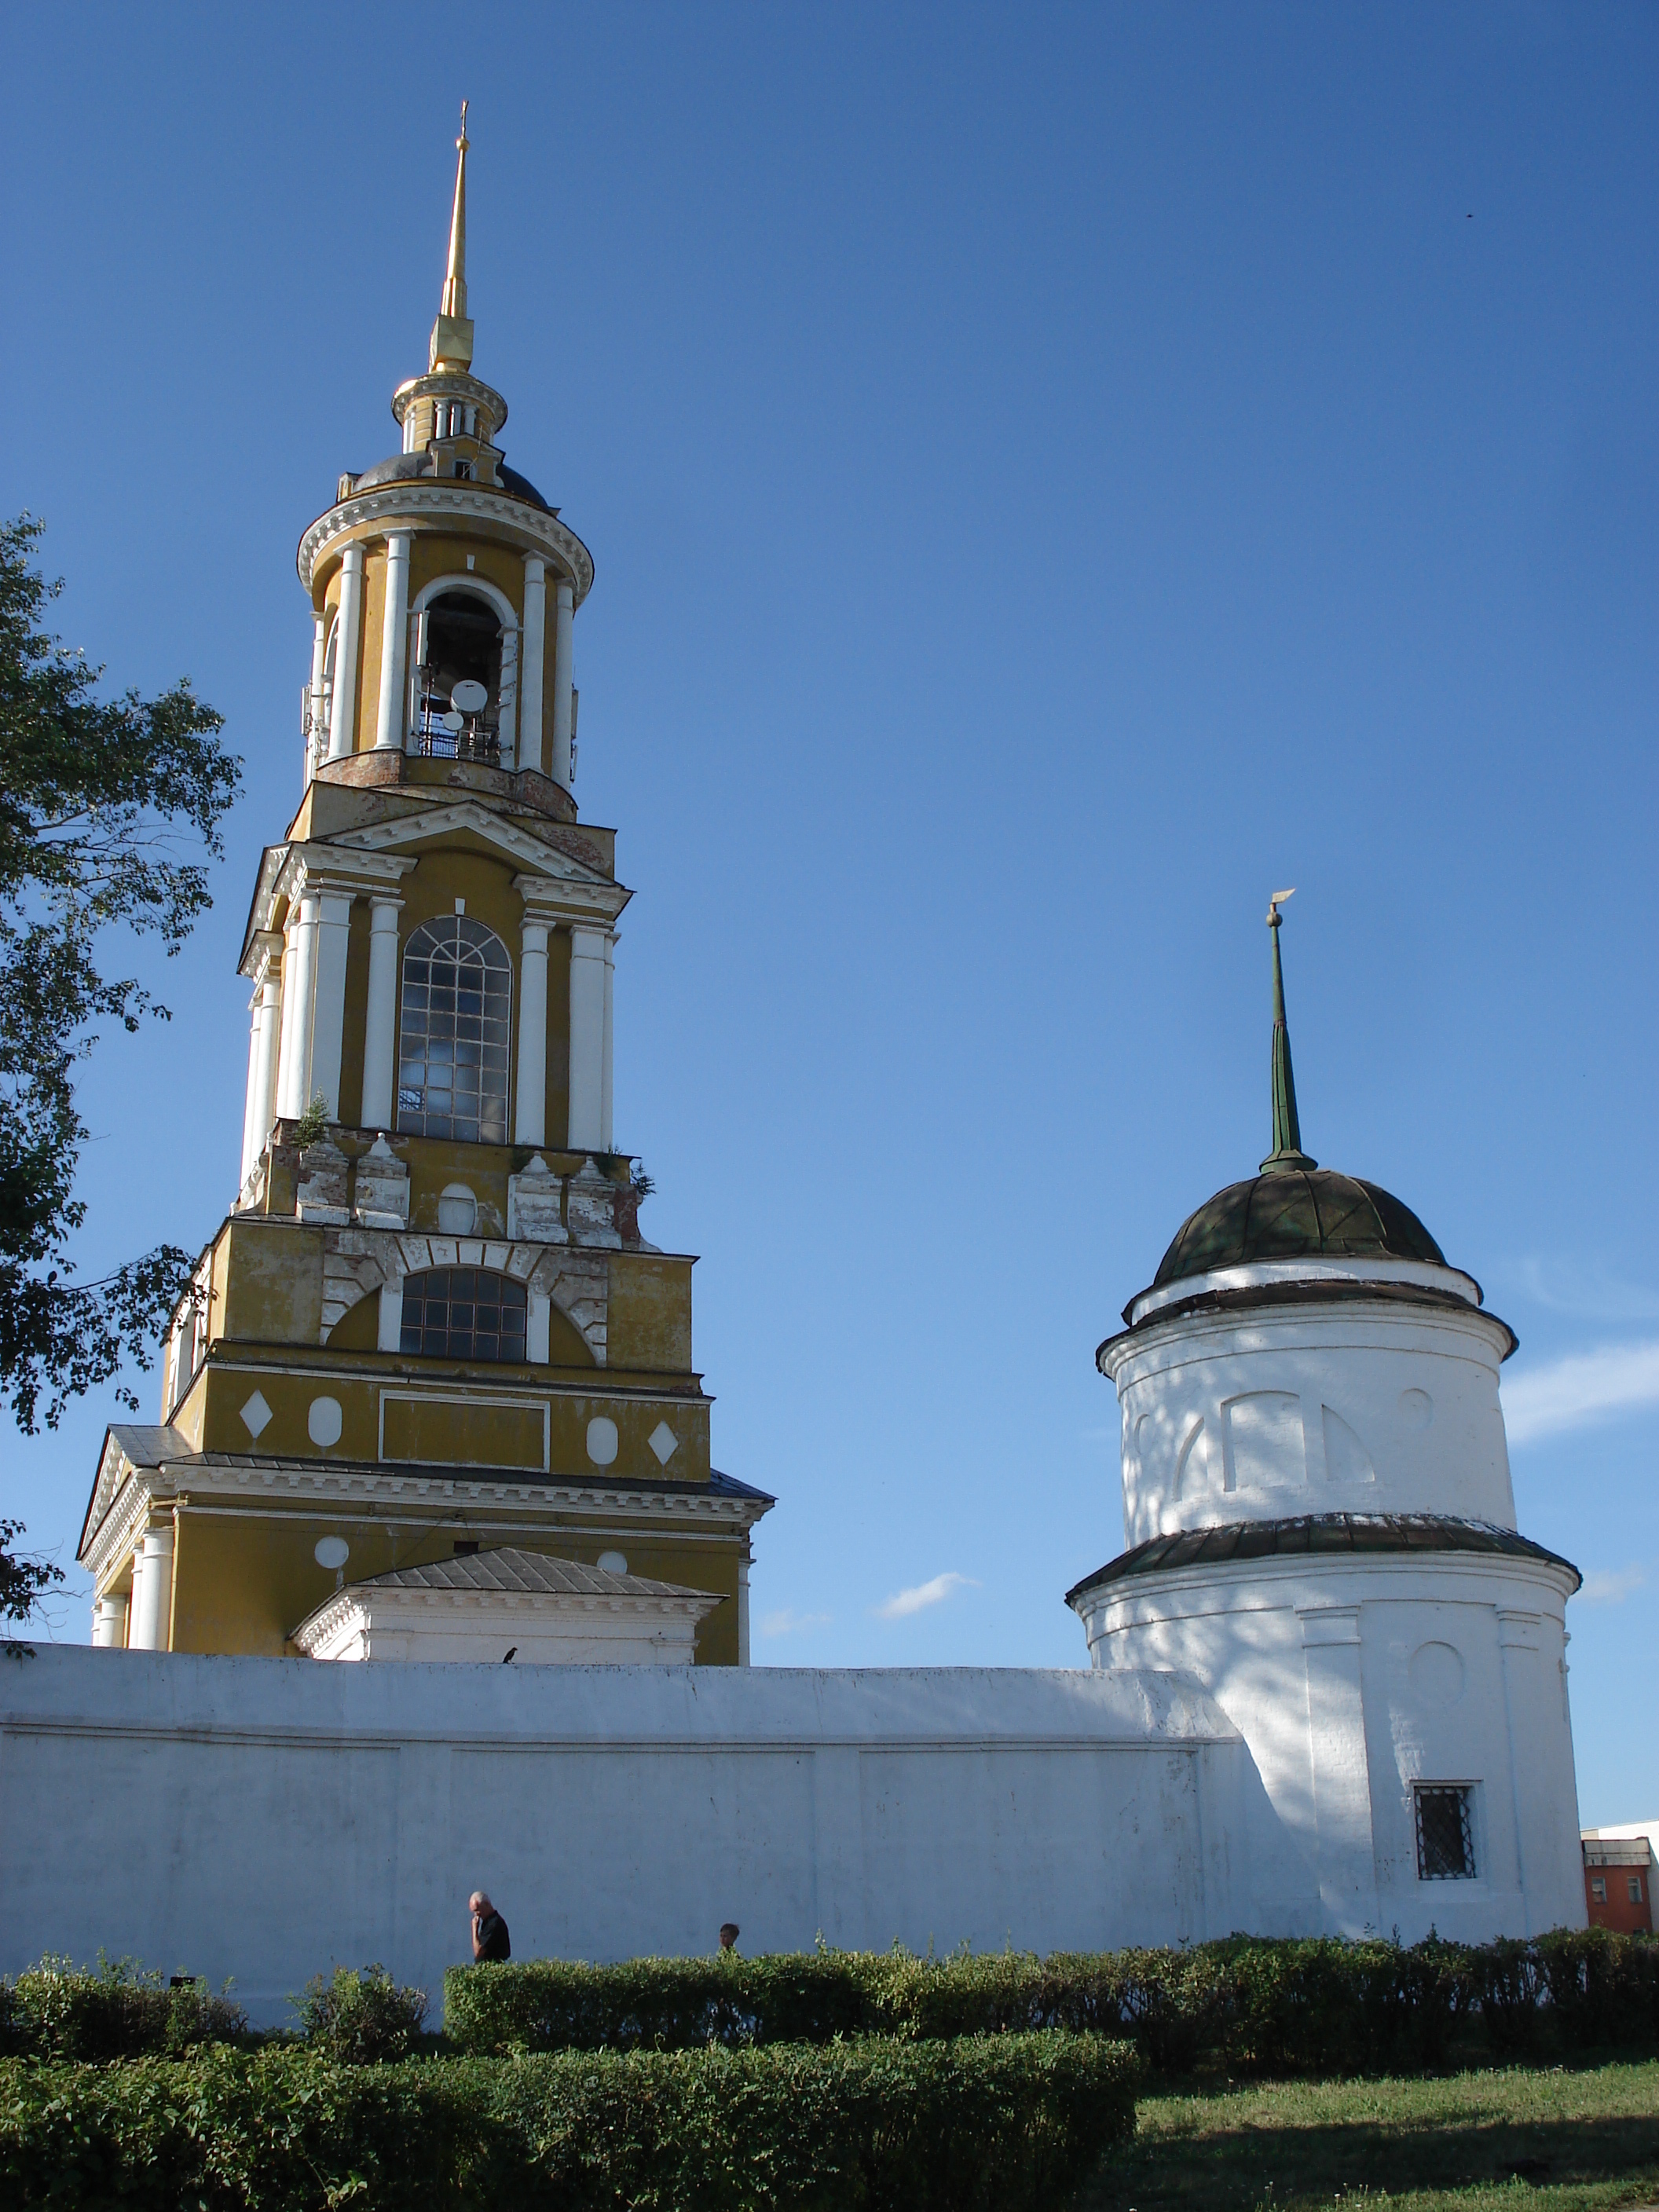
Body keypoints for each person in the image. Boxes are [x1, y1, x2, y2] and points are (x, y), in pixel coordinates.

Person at [470, 1891, 511, 1962]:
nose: (476, 1915)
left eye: (477, 1910)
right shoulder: (488, 1922)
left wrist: (474, 1929)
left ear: (486, 1905)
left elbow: (478, 1952)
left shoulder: (494, 1923)